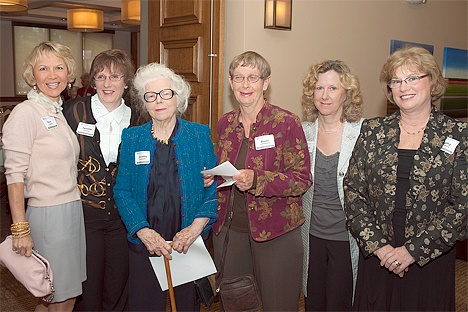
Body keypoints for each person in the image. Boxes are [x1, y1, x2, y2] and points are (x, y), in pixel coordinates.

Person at [343, 45, 467, 311]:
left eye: (412, 78)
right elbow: (353, 192)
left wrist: (412, 251)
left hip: (429, 260)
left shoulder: (457, 135)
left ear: (432, 82)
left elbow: (462, 206)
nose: (403, 87)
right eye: (396, 81)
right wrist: (381, 248)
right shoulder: (373, 130)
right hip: (378, 257)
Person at [210, 51, 312, 311]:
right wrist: (212, 176)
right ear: (231, 83)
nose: (245, 85)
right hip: (232, 233)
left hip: (276, 233)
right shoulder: (226, 123)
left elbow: (301, 179)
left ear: (265, 83)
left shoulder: (286, 123)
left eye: (253, 78)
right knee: (236, 305)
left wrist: (257, 179)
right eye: (239, 78)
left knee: (279, 305)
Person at [113, 62, 218, 311]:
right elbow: (122, 190)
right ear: (144, 102)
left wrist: (195, 229)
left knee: (185, 305)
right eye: (151, 96)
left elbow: (212, 187)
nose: (158, 101)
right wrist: (142, 231)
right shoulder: (132, 138)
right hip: (146, 240)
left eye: (165, 93)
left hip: (185, 241)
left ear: (177, 98)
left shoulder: (198, 135)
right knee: (144, 304)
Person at [2, 41, 86, 311]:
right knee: (59, 297)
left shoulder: (56, 110)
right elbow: (14, 175)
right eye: (44, 68)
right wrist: (20, 229)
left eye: (59, 67)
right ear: (33, 75)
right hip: (49, 216)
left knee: (59, 294)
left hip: (71, 211)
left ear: (68, 72)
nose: (52, 75)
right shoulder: (25, 113)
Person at [62, 49, 137, 311]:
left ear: (126, 82)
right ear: (92, 81)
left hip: (122, 218)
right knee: (86, 285)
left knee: (119, 283)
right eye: (101, 76)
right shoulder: (72, 112)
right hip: (84, 216)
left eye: (115, 76)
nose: (107, 84)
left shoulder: (137, 118)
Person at [301, 60, 364, 311]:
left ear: (346, 94)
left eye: (333, 88)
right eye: (319, 88)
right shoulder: (301, 132)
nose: (324, 95)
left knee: (341, 303)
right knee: (312, 301)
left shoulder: (362, 133)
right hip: (311, 236)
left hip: (347, 238)